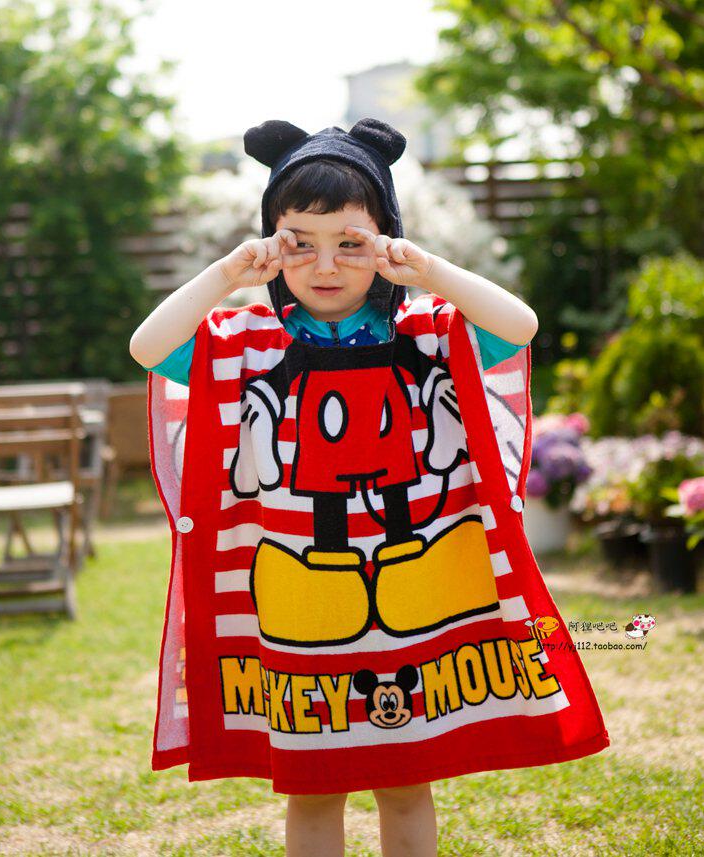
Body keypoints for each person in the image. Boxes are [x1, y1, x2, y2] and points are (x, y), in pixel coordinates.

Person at [130, 119, 608, 857]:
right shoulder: (244, 342)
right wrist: (226, 274)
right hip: (304, 616)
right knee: (314, 790)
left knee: (406, 784)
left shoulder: (428, 332)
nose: (326, 265)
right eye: (300, 242)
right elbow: (148, 347)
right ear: (271, 243)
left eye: (350, 243)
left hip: (415, 619)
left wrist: (430, 270)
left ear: (386, 239)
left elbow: (520, 325)